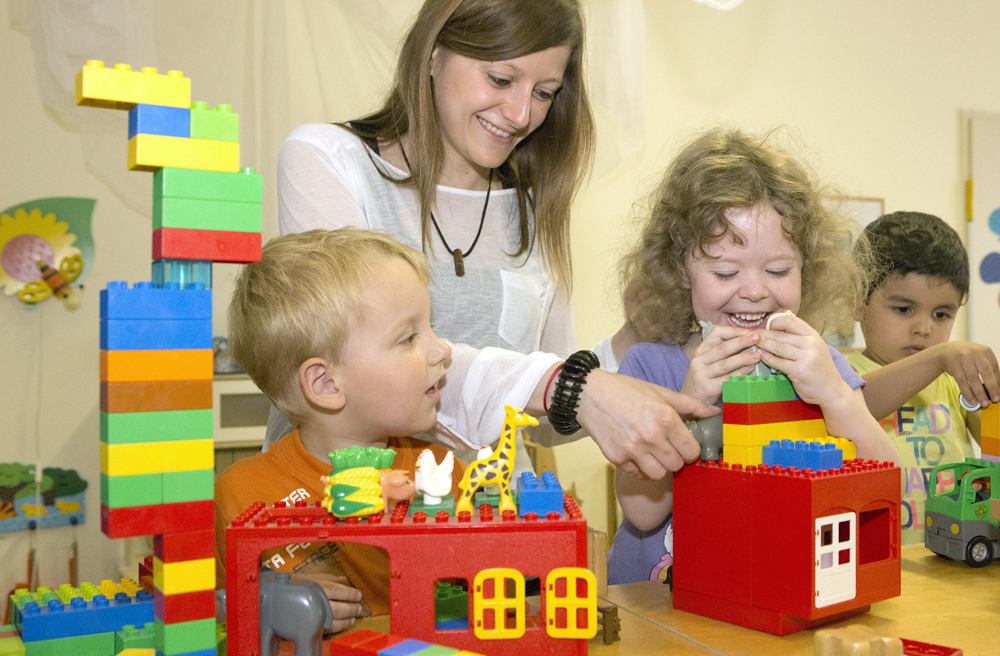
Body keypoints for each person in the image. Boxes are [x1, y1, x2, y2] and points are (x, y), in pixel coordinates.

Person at [267, 0, 713, 481]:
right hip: (340, 511)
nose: (521, 114)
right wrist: (567, 387)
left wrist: (636, 336)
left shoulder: (530, 204)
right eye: (500, 79)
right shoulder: (328, 161)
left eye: (544, 92)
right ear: (433, 55)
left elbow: (547, 422)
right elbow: (355, 360)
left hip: (488, 515)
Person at [606, 128, 901, 584]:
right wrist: (691, 401)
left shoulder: (820, 366)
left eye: (779, 269)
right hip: (657, 604)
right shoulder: (649, 367)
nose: (755, 290)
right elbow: (643, 513)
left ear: (807, 267)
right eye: (726, 271)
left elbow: (889, 484)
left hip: (768, 587)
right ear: (682, 269)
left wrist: (835, 397)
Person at [215, 229, 464, 632]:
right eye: (410, 338)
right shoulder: (241, 495)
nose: (443, 350)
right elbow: (213, 621)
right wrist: (269, 599)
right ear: (327, 385)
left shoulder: (441, 471)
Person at [846, 211, 999, 544]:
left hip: (951, 555)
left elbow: (995, 442)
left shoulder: (951, 381)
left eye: (941, 314)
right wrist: (939, 356)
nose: (924, 328)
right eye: (904, 309)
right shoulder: (839, 378)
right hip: (875, 558)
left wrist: (990, 390)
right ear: (856, 301)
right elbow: (855, 406)